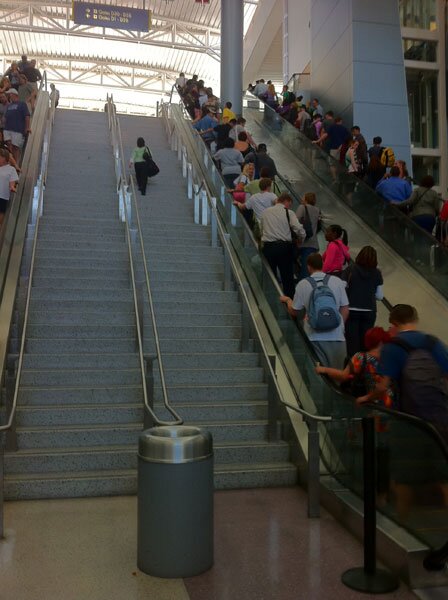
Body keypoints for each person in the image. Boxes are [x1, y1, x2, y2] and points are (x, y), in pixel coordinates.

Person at [281, 252, 349, 368]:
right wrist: (339, 325)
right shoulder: (337, 282)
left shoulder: (303, 284)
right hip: (338, 337)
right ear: (322, 264)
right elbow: (345, 308)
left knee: (318, 375)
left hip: (314, 337)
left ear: (308, 266)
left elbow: (294, 311)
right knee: (338, 375)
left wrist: (287, 300)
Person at [316, 327, 393, 407]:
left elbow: (343, 376)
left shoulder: (361, 357)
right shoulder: (390, 357)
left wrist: (324, 369)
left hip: (375, 403)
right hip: (394, 402)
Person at [341, 246, 384, 356]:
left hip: (351, 311)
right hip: (369, 312)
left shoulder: (350, 269)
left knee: (352, 342)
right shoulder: (377, 273)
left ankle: (353, 366)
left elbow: (342, 288)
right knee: (366, 342)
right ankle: (364, 366)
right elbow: (380, 296)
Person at [262, 193, 305, 298]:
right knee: (287, 278)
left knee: (269, 276)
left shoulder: (265, 212)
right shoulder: (289, 212)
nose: (289, 206)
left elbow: (262, 228)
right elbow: (299, 229)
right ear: (287, 201)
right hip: (284, 248)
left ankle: (270, 300)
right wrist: (301, 239)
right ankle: (289, 304)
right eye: (290, 204)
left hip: (268, 247)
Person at [296, 192, 321, 280]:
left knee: (303, 270)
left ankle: (301, 289)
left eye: (303, 197)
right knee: (308, 268)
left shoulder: (302, 207)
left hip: (302, 242)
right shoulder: (317, 210)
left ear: (306, 199)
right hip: (313, 243)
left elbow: (296, 222)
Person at [3, 88, 31, 163]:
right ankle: (11, 161)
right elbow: (6, 116)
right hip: (7, 128)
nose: (9, 96)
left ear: (14, 95)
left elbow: (27, 116)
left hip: (17, 129)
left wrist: (27, 127)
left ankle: (16, 162)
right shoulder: (9, 106)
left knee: (15, 146)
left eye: (10, 94)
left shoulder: (22, 104)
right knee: (8, 145)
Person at [0, 148, 19, 227]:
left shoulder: (11, 169)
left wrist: (12, 187)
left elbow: (12, 182)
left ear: (5, 158)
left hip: (2, 196)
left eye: (0, 157)